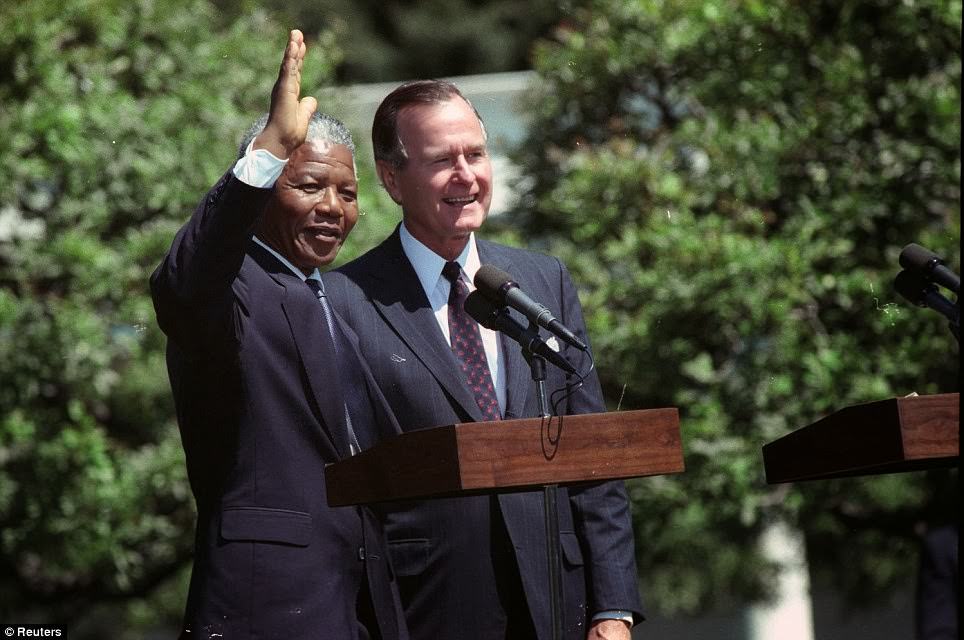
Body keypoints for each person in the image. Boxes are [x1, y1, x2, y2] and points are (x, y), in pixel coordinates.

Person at [323, 80, 645, 640]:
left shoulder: (543, 280)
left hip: (558, 606)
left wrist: (612, 609)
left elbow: (595, 460)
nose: (466, 175)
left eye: (475, 154)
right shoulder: (345, 301)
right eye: (442, 160)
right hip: (427, 608)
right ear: (391, 178)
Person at [150, 30, 407, 640]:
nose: (332, 207)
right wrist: (271, 147)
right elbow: (184, 282)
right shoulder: (234, 287)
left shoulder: (341, 301)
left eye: (347, 193)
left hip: (367, 607)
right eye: (308, 185)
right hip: (265, 606)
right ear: (266, 193)